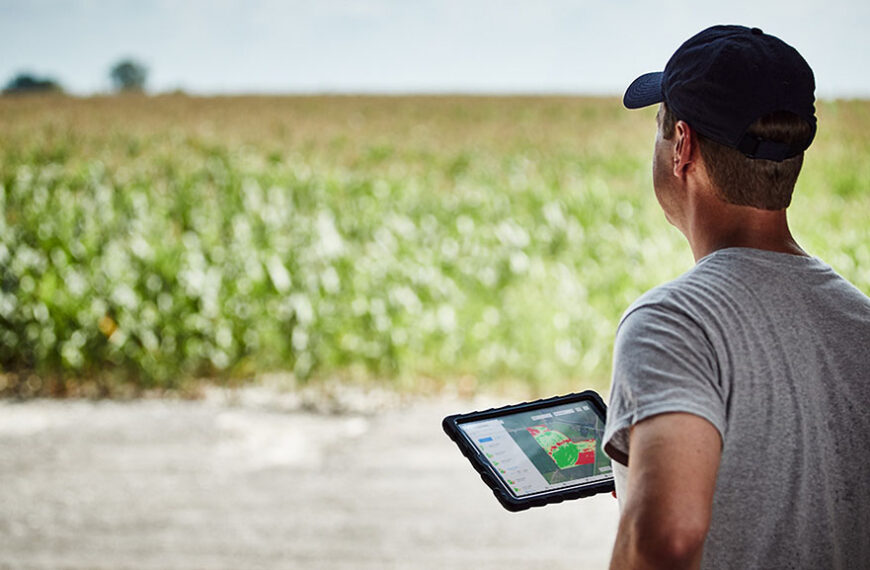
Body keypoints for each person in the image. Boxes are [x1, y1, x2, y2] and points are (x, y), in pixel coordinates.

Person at [602, 25, 870, 569]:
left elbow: (668, 540)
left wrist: (646, 513)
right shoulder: (861, 321)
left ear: (683, 146)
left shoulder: (671, 324)